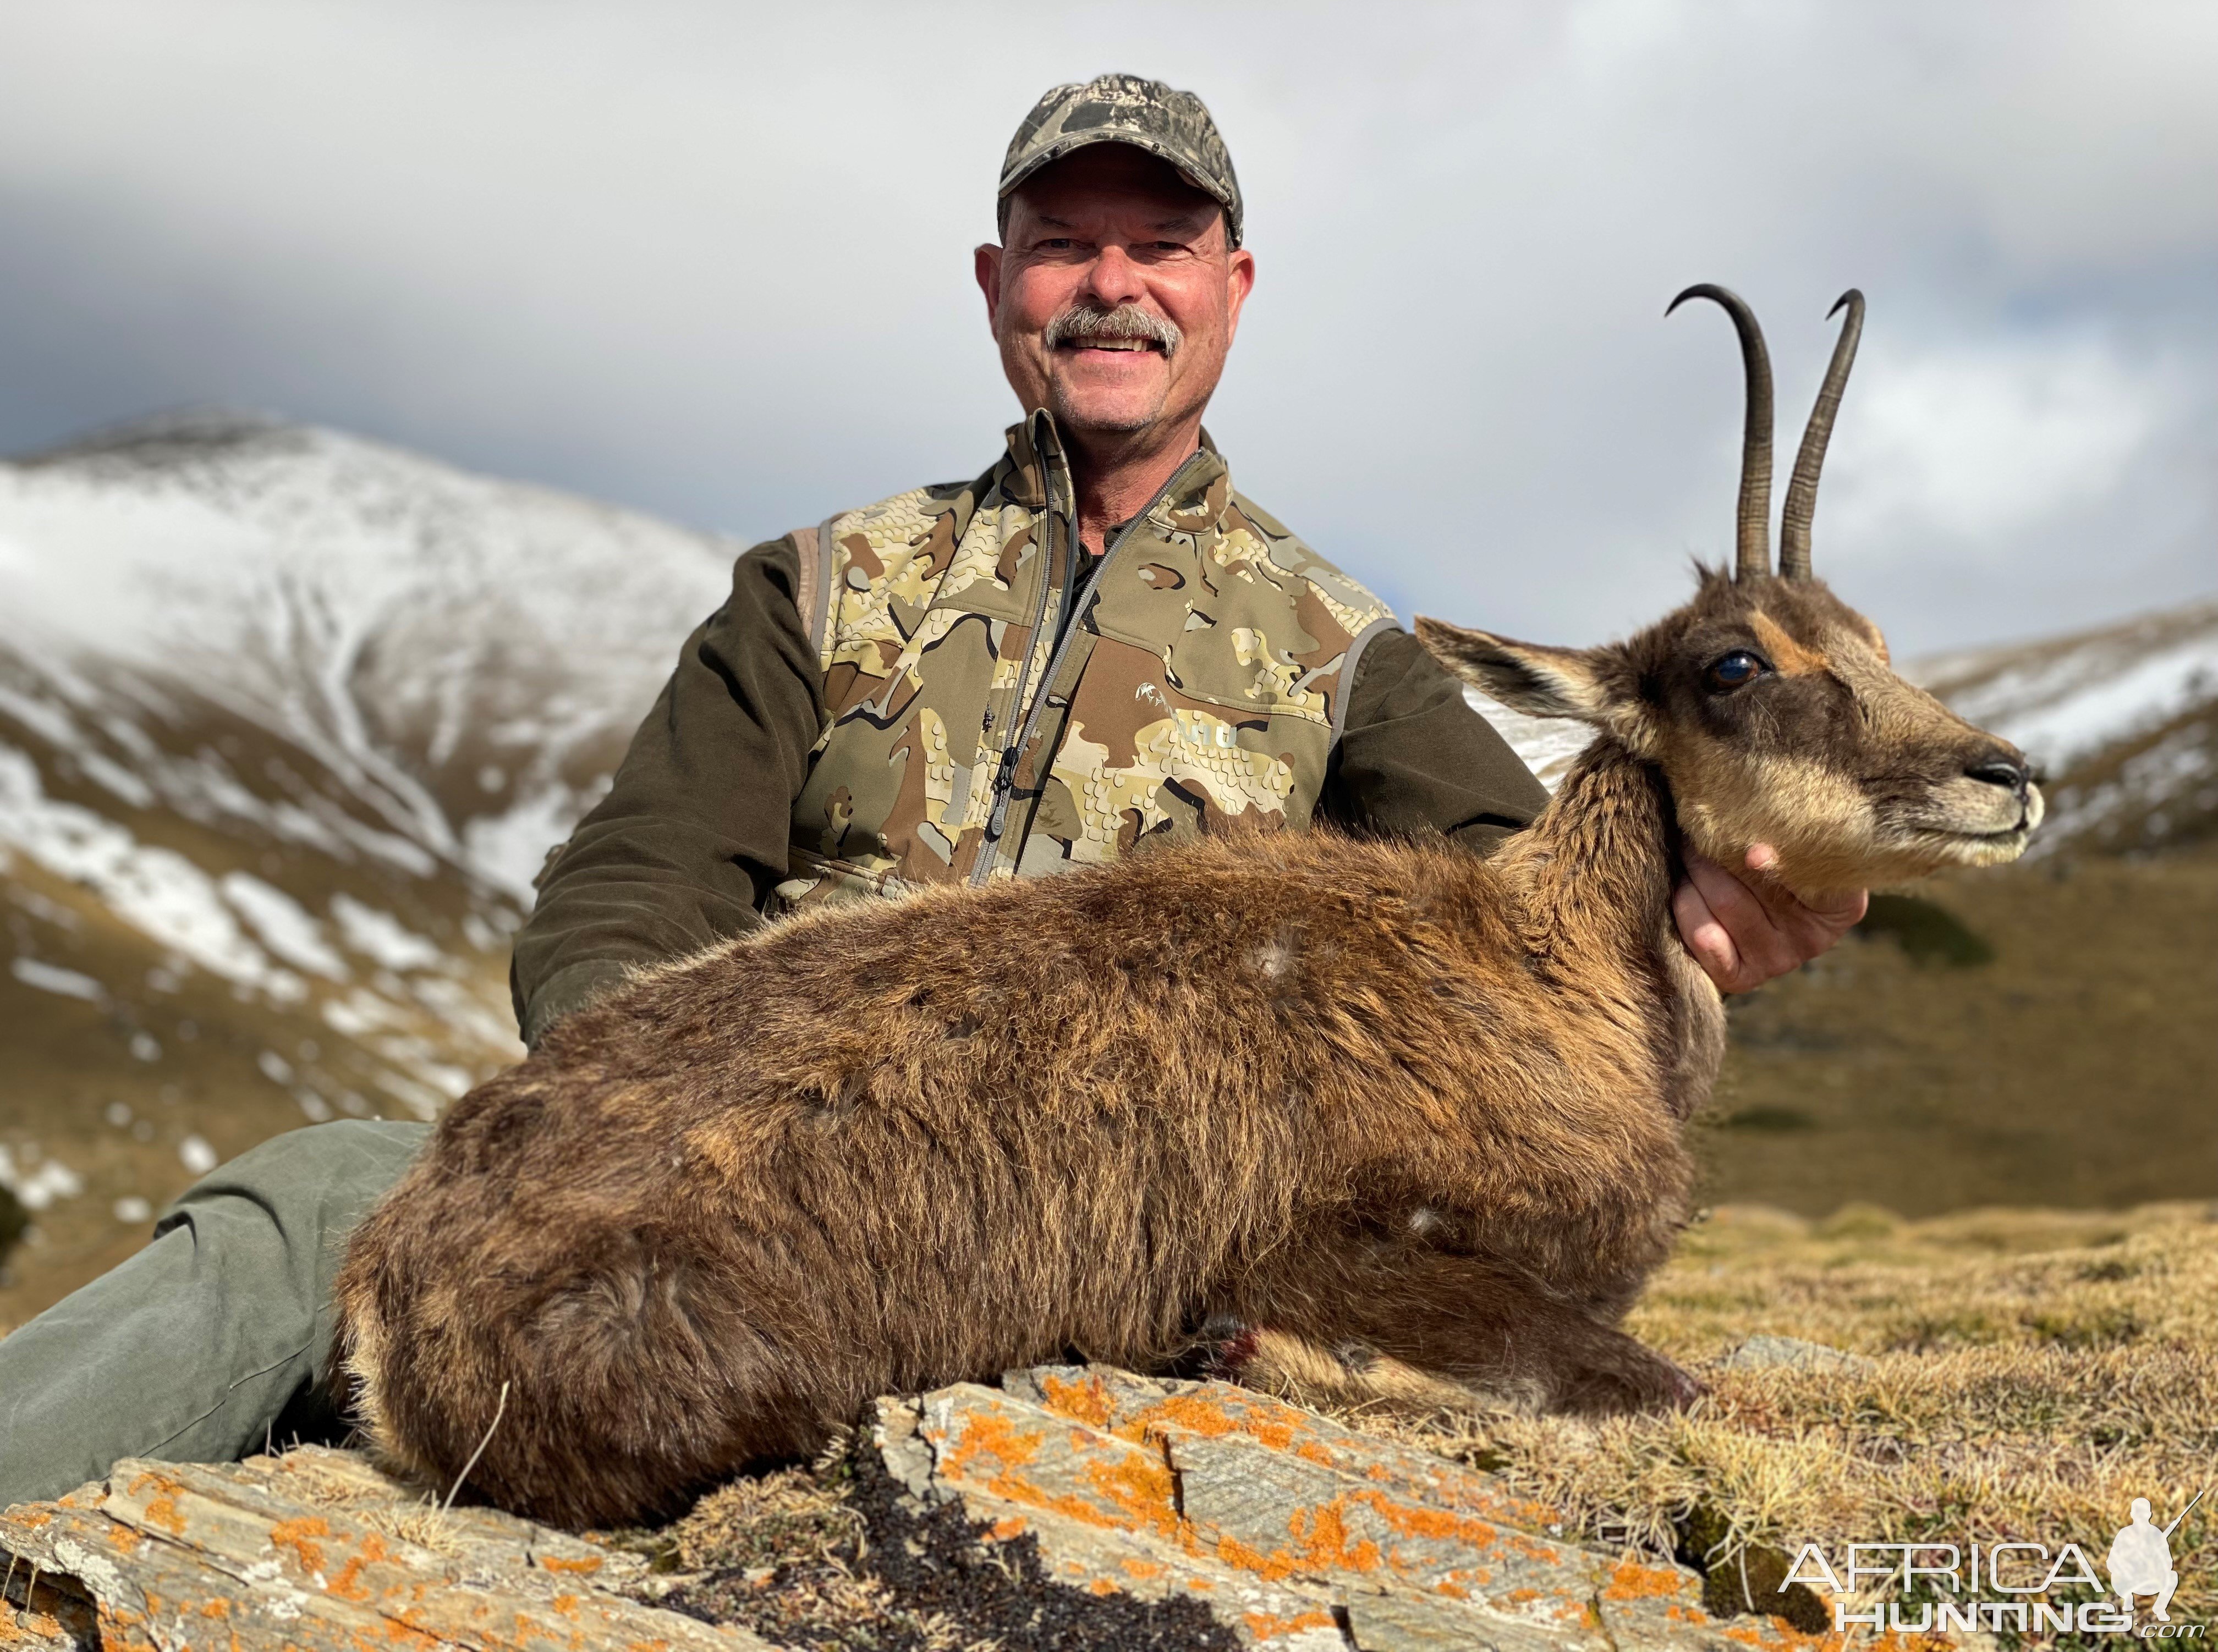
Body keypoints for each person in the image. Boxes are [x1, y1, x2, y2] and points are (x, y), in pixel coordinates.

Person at [0, 74, 1864, 1506]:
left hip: (1111, 1249)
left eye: (1161, 244)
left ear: (1232, 287)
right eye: (1067, 242)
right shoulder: (821, 588)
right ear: (1000, 284)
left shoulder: (1346, 650)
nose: (1112, 283)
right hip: (713, 1188)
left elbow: (1508, 926)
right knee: (311, 1206)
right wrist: (677, 1117)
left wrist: (1690, 920)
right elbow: (622, 901)